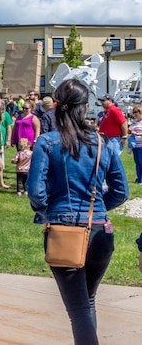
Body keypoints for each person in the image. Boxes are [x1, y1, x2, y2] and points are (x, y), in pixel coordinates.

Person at [27, 80, 128, 344]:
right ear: (84, 108)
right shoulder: (102, 142)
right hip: (100, 231)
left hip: (65, 230)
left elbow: (36, 193)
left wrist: (50, 212)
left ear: (57, 107)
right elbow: (121, 190)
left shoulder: (47, 143)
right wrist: (98, 206)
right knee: (87, 301)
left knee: (80, 308)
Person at [127, 105, 142, 184]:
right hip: (135, 146)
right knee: (137, 163)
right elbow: (128, 130)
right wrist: (130, 131)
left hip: (141, 146)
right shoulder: (134, 122)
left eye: (136, 112)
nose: (135, 114)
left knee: (141, 162)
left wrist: (137, 134)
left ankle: (141, 180)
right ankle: (139, 178)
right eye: (134, 112)